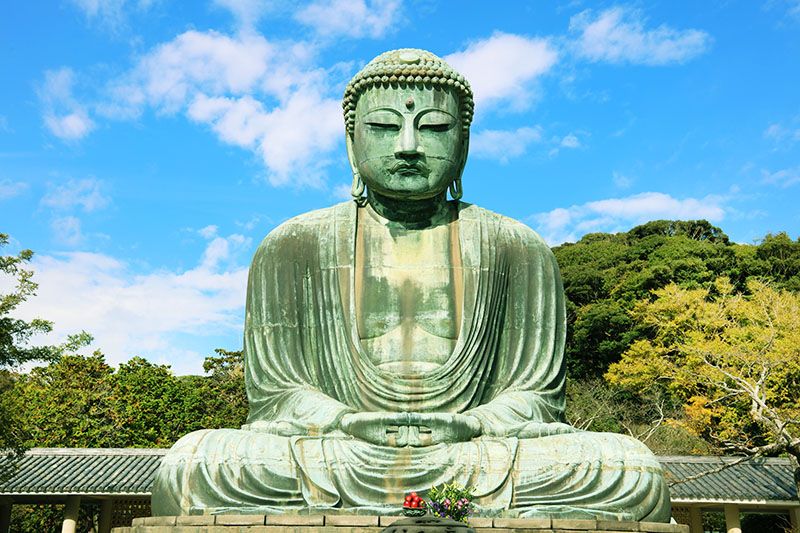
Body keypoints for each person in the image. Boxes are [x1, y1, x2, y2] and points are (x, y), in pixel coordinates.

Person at [152, 49, 671, 522]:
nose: (407, 146)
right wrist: (345, 421)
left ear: (463, 143)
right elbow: (277, 396)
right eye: (383, 126)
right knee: (196, 465)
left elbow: (535, 398)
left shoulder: (518, 246)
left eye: (434, 127)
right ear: (351, 143)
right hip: (339, 449)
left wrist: (470, 425)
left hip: (475, 450)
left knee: (628, 469)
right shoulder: (292, 245)